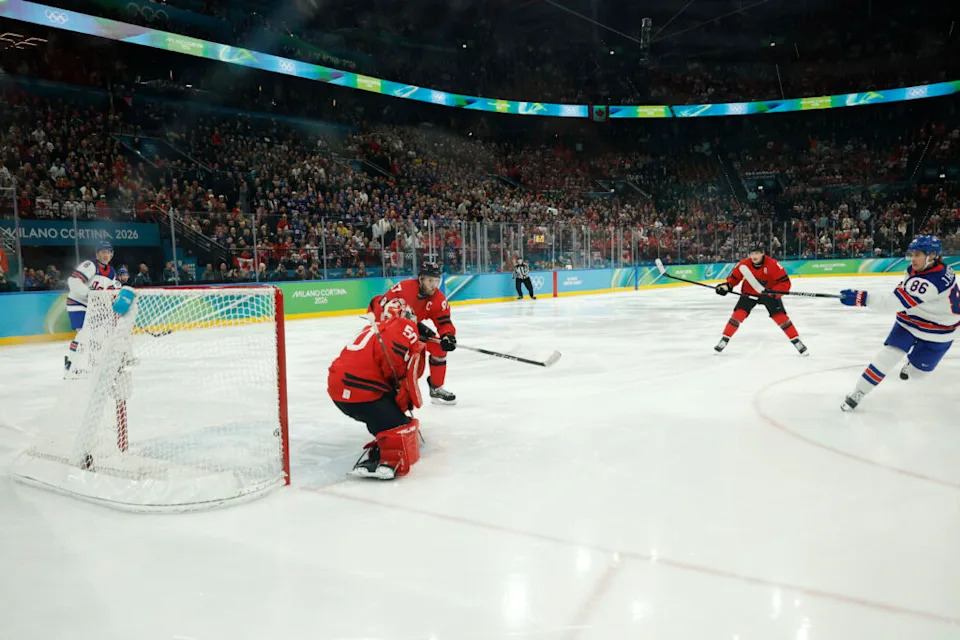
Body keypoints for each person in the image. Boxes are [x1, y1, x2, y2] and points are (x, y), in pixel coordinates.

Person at [838, 235, 959, 411]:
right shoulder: (924, 268)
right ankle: (858, 392)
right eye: (912, 254)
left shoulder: (930, 282)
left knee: (918, 375)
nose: (913, 259)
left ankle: (912, 364)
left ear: (932, 255)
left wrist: (862, 298)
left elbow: (892, 303)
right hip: (910, 320)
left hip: (939, 330)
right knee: (887, 356)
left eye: (918, 255)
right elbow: (904, 292)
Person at [328, 299, 425, 480]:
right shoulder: (403, 328)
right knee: (400, 426)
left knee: (392, 417)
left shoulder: (373, 328)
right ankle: (384, 459)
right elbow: (395, 367)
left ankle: (381, 426)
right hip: (361, 392)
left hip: (338, 390)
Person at [368, 262, 458, 404]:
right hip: (385, 323)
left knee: (439, 347)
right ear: (421, 279)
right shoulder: (404, 288)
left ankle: (436, 387)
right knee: (396, 356)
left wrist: (448, 336)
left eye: (436, 281)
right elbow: (382, 309)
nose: (433, 285)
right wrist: (401, 328)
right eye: (430, 280)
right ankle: (385, 389)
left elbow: (444, 321)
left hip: (410, 324)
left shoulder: (438, 299)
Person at [714, 244, 808, 355]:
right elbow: (733, 279)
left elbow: (785, 283)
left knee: (780, 317)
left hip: (769, 293)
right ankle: (724, 339)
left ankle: (796, 341)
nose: (754, 256)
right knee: (738, 314)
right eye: (752, 254)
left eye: (757, 253)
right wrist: (726, 286)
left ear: (762, 253)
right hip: (750, 292)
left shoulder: (773, 264)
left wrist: (773, 293)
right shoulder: (744, 264)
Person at [65, 241, 121, 374]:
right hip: (77, 303)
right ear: (97, 254)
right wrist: (89, 294)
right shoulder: (90, 265)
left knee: (98, 335)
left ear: (111, 254)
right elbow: (73, 281)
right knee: (83, 333)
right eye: (103, 252)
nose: (105, 255)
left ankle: (92, 362)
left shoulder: (112, 272)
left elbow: (110, 291)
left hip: (93, 307)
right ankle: (71, 363)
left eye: (108, 252)